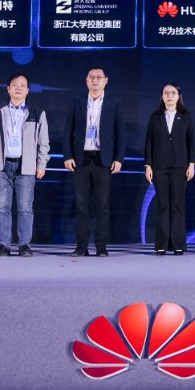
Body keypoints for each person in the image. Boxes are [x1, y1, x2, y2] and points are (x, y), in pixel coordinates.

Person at [0, 74, 51, 257]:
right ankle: (3, 245)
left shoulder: (36, 112)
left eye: (22, 85)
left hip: (26, 166)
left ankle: (24, 245)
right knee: (2, 208)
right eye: (15, 85)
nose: (18, 88)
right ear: (8, 89)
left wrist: (41, 164)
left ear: (28, 90)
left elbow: (43, 142)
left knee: (25, 209)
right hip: (2, 166)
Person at [64, 66, 124, 258]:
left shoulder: (114, 103)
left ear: (106, 80)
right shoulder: (77, 102)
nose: (95, 80)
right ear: (86, 80)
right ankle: (82, 246)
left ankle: (101, 247)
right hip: (80, 159)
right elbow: (68, 131)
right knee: (81, 206)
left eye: (99, 77)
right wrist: (68, 155)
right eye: (91, 77)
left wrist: (118, 159)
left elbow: (120, 134)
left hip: (103, 159)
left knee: (102, 206)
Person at [144, 83, 195, 255]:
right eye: (166, 93)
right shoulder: (155, 117)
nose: (170, 95)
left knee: (177, 205)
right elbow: (149, 142)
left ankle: (178, 244)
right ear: (162, 96)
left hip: (180, 166)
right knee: (162, 205)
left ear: (179, 96)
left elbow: (191, 142)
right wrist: (148, 165)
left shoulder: (186, 116)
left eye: (173, 93)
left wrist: (191, 164)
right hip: (159, 167)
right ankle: (162, 244)